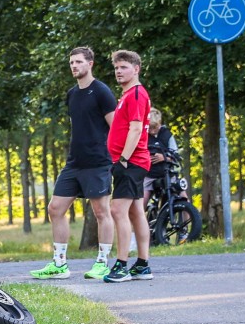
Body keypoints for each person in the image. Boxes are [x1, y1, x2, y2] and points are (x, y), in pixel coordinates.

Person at [31, 47, 118, 281]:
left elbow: (116, 127)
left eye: (78, 62)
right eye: (71, 62)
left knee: (101, 212)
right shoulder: (72, 94)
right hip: (74, 163)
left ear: (90, 64)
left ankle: (102, 262)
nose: (74, 66)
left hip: (98, 162)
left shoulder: (101, 92)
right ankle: (59, 264)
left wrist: (116, 159)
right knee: (55, 209)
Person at [104, 49, 154, 283]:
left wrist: (123, 159)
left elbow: (135, 129)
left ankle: (122, 265)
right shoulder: (129, 94)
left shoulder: (135, 94)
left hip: (131, 161)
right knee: (135, 212)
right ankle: (142, 264)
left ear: (136, 69)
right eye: (116, 68)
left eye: (124, 67)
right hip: (132, 161)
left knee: (117, 211)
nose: (118, 72)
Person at [143, 109, 177, 205]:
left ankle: (190, 219)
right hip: (149, 175)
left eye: (154, 127)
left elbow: (175, 154)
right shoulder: (143, 135)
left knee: (183, 196)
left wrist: (164, 157)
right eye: (150, 128)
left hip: (167, 174)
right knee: (141, 202)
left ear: (159, 123)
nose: (152, 131)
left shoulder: (167, 135)